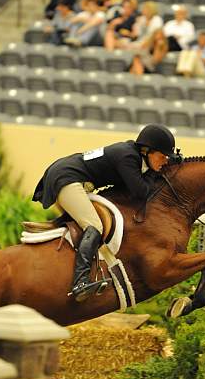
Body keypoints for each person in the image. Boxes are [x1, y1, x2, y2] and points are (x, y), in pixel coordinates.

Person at [32, 124, 176, 301]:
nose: (165, 162)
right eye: (162, 157)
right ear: (146, 151)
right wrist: (158, 174)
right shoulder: (128, 157)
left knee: (92, 223)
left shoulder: (133, 156)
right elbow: (142, 192)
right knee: (95, 226)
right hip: (66, 178)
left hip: (71, 177)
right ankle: (80, 283)